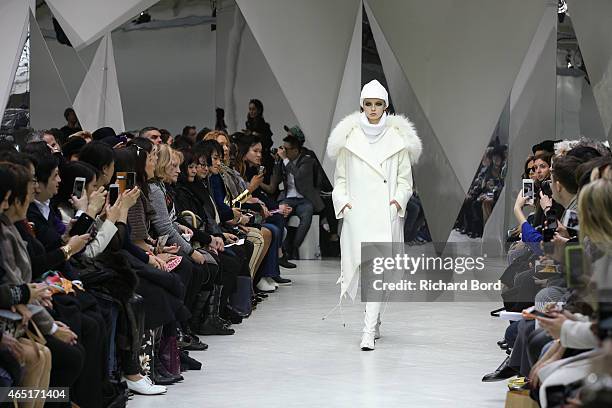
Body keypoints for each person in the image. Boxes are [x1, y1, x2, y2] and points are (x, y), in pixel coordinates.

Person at [326, 79, 422, 350]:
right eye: (368, 104)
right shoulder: (349, 139)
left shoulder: (398, 141)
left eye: (378, 104)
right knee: (364, 266)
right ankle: (374, 320)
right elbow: (341, 178)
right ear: (361, 105)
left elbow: (405, 181)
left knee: (376, 271)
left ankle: (368, 330)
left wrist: (397, 202)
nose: (372, 109)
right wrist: (343, 202)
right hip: (358, 212)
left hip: (384, 212)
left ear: (385, 106)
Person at [277, 133, 324, 259]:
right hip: (288, 198)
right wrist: (278, 161)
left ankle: (294, 247)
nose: (284, 151)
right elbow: (275, 180)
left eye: (286, 149)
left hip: (304, 199)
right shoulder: (283, 161)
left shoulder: (308, 161)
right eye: (283, 148)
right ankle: (284, 248)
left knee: (306, 216)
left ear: (295, 150)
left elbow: (298, 175)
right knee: (280, 214)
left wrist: (285, 160)